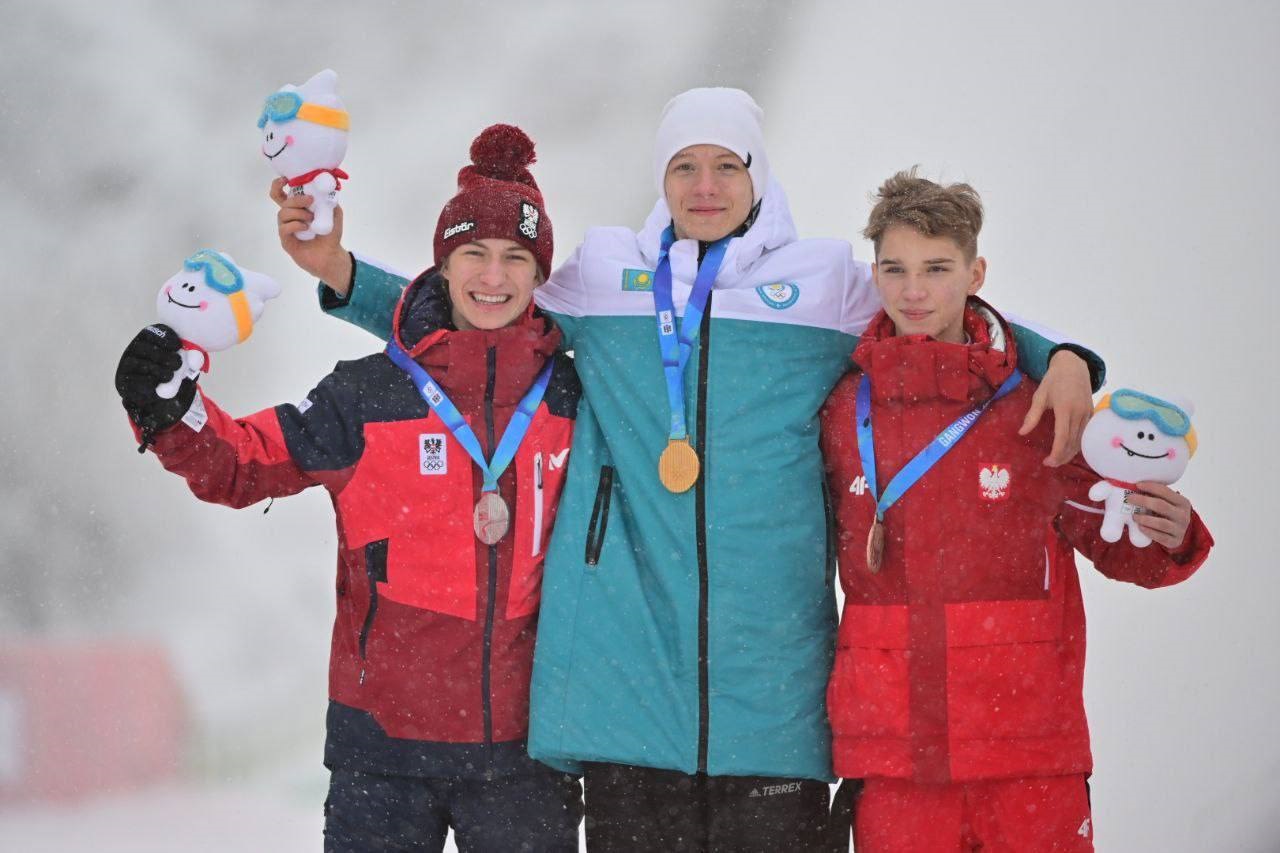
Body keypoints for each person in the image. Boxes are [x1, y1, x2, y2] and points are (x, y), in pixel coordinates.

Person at [280, 89, 1104, 851]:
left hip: (771, 669)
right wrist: (338, 272)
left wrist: (1061, 357)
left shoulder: (821, 285)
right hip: (628, 671)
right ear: (662, 177)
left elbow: (935, 300)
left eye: (726, 166)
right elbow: (477, 301)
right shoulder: (605, 278)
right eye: (684, 166)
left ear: (757, 175)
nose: (704, 186)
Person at [115, 125, 584, 852]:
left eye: (515, 258)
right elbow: (244, 463)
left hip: (526, 755)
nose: (494, 276)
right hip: (382, 754)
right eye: (474, 254)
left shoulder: (576, 401)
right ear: (443, 264)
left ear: (537, 273)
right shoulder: (366, 397)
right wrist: (172, 411)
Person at [820, 170, 1213, 851]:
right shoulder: (837, 409)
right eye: (896, 269)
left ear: (976, 272)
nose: (914, 291)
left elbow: (1120, 539)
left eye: (937, 268)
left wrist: (1170, 537)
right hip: (893, 753)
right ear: (874, 274)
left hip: (1030, 751)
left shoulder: (1036, 407)